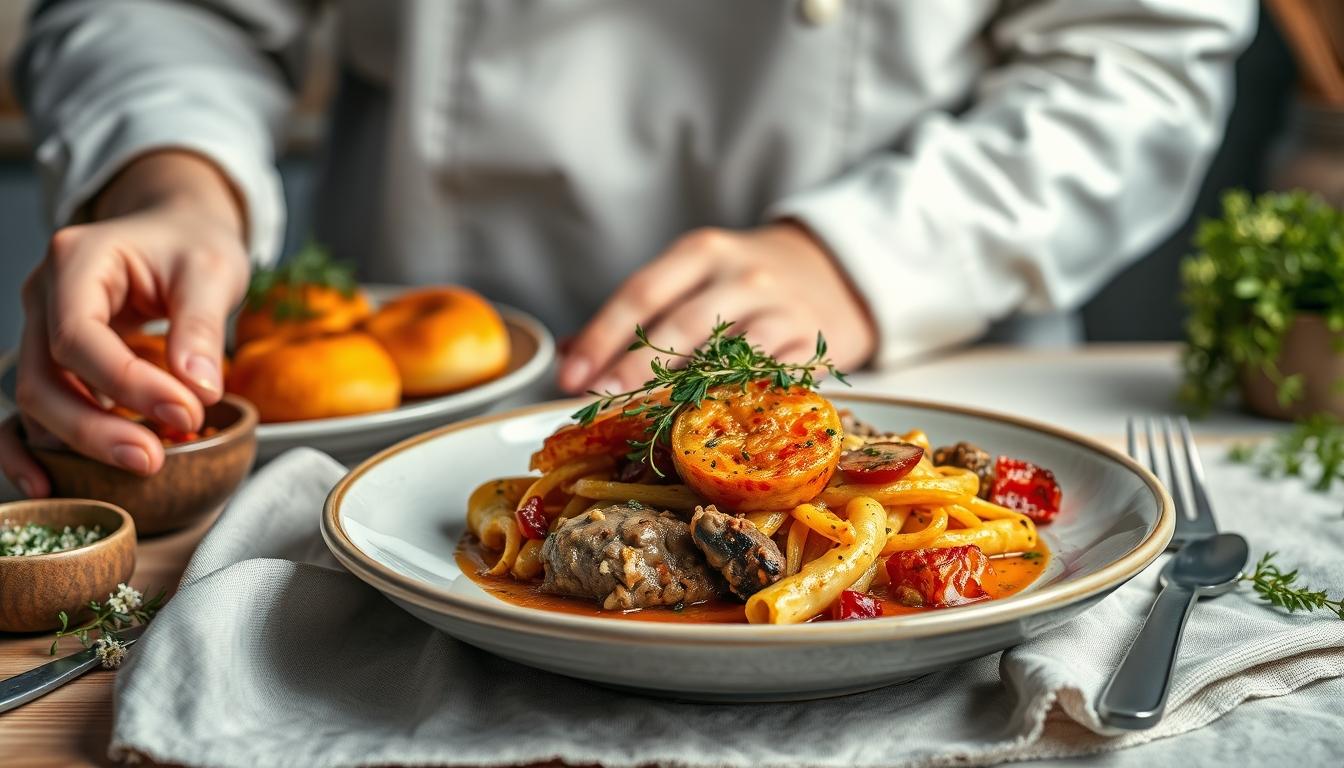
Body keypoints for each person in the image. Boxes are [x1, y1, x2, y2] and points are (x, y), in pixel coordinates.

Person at [0, 0, 1254, 497]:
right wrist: (174, 180)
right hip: (408, 421)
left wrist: (871, 257)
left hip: (934, 348)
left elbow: (1139, 52)